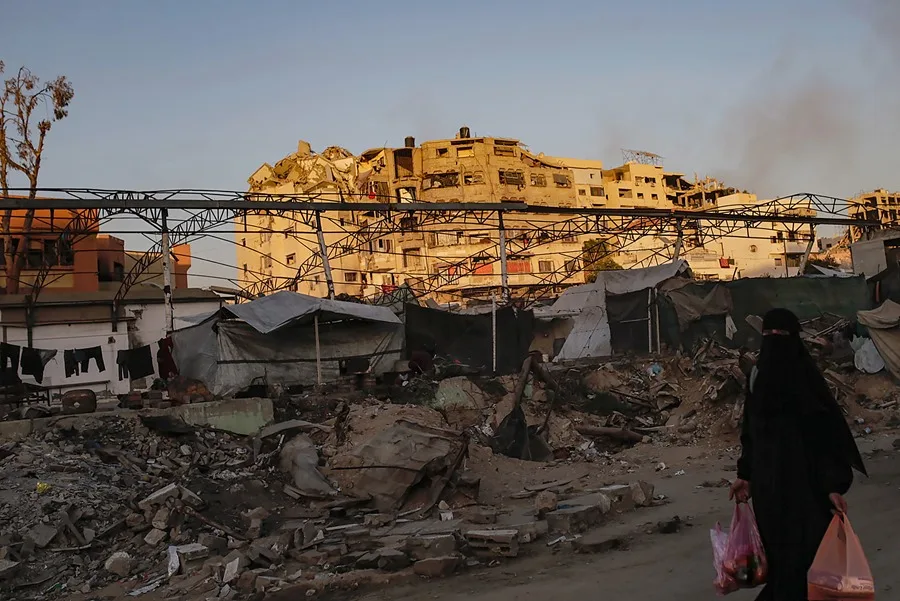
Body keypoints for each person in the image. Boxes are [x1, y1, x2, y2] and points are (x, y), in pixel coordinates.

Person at [730, 308, 866, 600]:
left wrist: (747, 475)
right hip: (801, 492)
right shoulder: (802, 376)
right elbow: (826, 437)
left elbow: (751, 433)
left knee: (789, 567)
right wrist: (832, 485)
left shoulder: (759, 375)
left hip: (776, 492)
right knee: (801, 566)